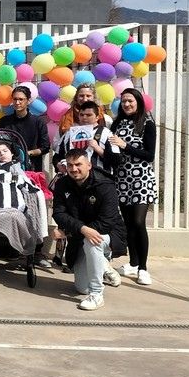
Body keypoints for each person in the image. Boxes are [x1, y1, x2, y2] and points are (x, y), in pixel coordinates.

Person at [52, 148, 124, 310]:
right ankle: (104, 265)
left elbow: (107, 222)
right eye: (70, 165)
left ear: (89, 165)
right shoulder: (62, 184)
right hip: (81, 235)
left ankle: (97, 295)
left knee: (92, 242)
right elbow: (59, 213)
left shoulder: (105, 184)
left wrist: (71, 231)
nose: (74, 169)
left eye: (78, 164)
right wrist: (82, 229)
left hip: (108, 234)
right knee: (81, 288)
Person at [110, 87, 158, 286]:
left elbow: (149, 155)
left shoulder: (147, 123)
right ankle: (133, 262)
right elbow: (111, 148)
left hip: (141, 180)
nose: (127, 104)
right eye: (124, 101)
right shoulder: (117, 123)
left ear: (138, 102)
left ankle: (144, 268)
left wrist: (125, 146)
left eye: (130, 101)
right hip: (122, 178)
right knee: (128, 223)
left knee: (138, 222)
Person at [54, 100, 118, 176]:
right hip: (73, 180)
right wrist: (58, 165)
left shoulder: (107, 134)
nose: (84, 117)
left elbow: (116, 159)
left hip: (99, 179)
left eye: (88, 115)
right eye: (81, 115)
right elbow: (57, 156)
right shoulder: (69, 134)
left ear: (97, 117)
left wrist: (98, 148)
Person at [0, 85, 49, 173]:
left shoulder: (38, 122)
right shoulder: (4, 122)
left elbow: (45, 147)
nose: (17, 102)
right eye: (15, 99)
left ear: (28, 101)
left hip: (31, 168)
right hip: (8, 168)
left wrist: (27, 153)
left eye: (21, 99)